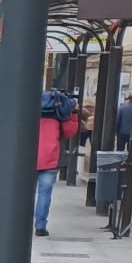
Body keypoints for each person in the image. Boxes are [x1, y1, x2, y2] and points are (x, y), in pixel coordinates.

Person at [35, 95, 82, 237]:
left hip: (27, 158)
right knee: (44, 193)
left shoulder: (29, 110)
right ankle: (40, 226)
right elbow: (70, 132)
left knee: (23, 194)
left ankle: (19, 223)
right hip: (49, 158)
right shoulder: (58, 112)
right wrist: (73, 113)